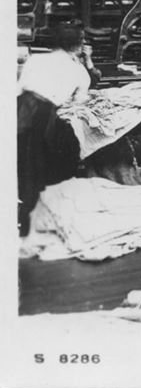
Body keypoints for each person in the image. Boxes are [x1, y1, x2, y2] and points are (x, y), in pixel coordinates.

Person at [17, 21, 99, 235]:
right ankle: (48, 217)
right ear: (79, 45)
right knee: (58, 161)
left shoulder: (35, 59)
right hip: (45, 116)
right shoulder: (78, 70)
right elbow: (80, 101)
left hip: (21, 110)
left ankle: (24, 219)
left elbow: (21, 88)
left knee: (24, 167)